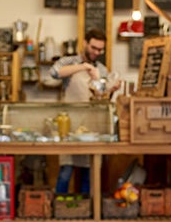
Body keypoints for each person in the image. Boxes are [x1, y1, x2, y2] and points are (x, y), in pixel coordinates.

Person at [50, 28, 119, 194]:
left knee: (90, 172)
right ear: (85, 43)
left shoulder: (101, 70)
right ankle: (60, 210)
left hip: (92, 128)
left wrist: (110, 87)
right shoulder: (69, 61)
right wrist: (83, 66)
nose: (97, 52)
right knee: (66, 171)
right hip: (69, 125)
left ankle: (85, 210)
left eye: (100, 49)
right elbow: (54, 72)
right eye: (93, 48)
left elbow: (102, 95)